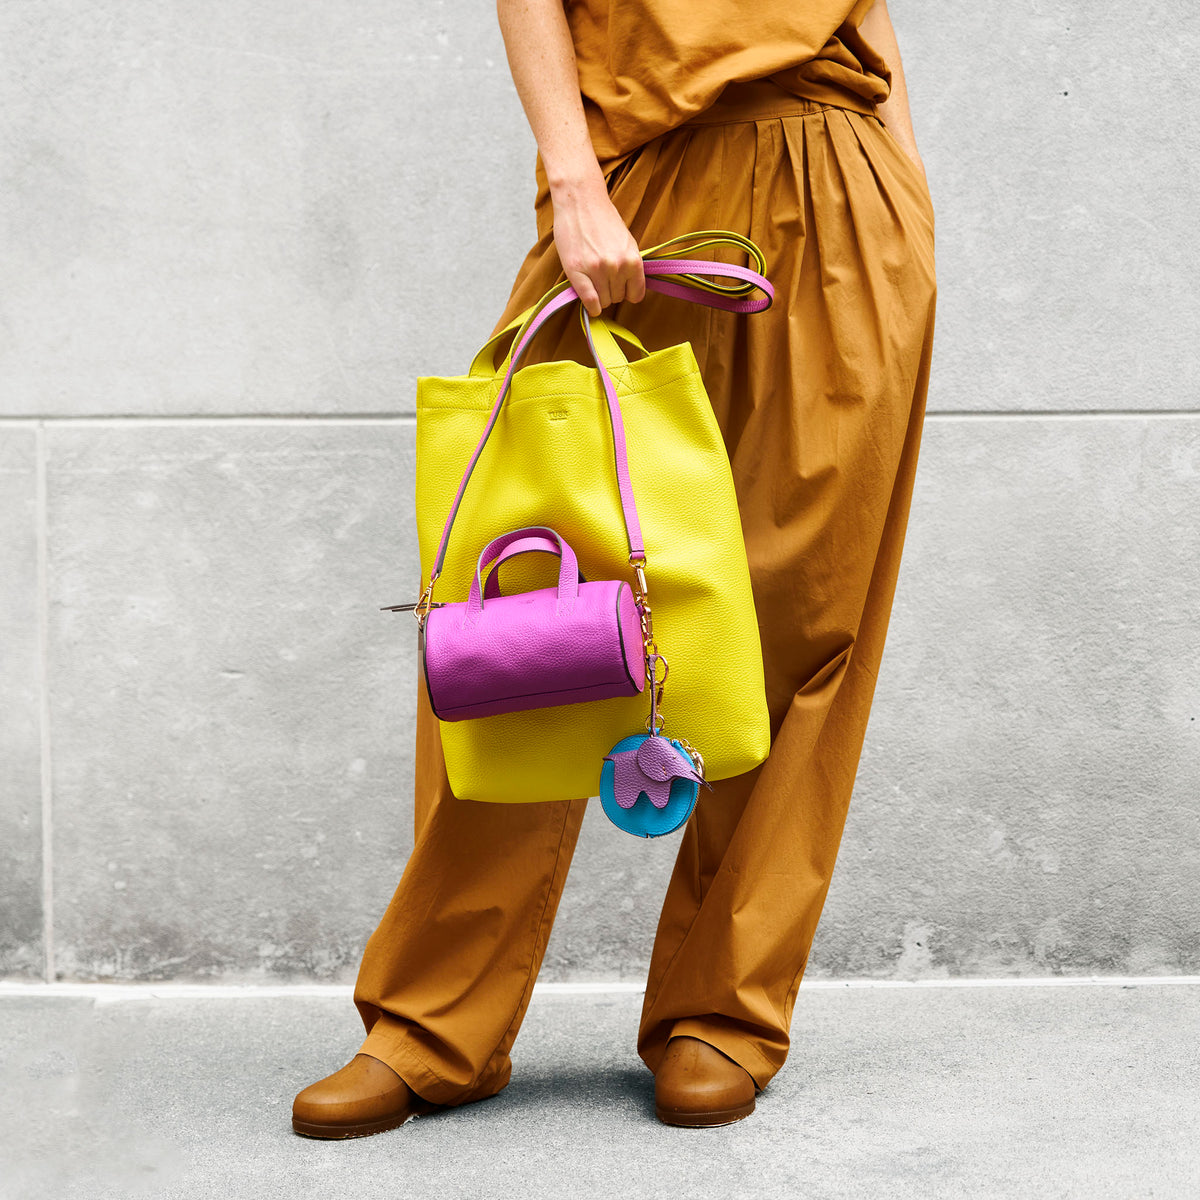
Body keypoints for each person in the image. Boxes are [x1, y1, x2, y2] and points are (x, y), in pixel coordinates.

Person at [292, 0, 936, 1136]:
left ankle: (722, 1014)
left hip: (844, 182)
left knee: (806, 619)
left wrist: (906, 187)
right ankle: (432, 1022)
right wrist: (574, 178)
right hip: (636, 175)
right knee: (530, 618)